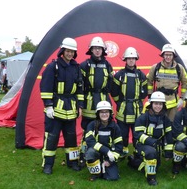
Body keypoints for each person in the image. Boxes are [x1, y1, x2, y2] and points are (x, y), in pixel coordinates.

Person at [40, 37, 83, 174]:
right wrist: (48, 106)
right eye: (68, 51)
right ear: (62, 51)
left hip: (70, 108)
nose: (70, 54)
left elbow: (80, 88)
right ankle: (48, 165)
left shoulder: (76, 68)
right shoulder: (53, 67)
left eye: (72, 51)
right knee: (52, 138)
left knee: (71, 138)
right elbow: (45, 87)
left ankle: (72, 162)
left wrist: (80, 106)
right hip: (55, 109)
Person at [79, 36, 114, 166]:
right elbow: (80, 86)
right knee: (87, 129)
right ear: (91, 50)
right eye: (95, 48)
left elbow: (110, 83)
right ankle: (83, 155)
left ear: (103, 50)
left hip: (103, 100)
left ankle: (102, 152)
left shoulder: (107, 65)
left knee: (103, 128)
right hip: (89, 101)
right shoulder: (84, 65)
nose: (98, 50)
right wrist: (80, 105)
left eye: (100, 48)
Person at [128, 91, 173, 186]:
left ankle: (134, 161)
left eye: (160, 104)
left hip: (156, 146)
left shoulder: (165, 119)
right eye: (156, 104)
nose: (158, 106)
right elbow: (137, 134)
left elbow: (168, 135)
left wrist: (168, 152)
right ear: (151, 104)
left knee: (156, 165)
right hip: (142, 145)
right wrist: (152, 141)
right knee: (151, 154)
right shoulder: (143, 118)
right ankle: (151, 178)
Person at [112, 47, 147, 157]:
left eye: (133, 58)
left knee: (137, 132)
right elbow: (114, 92)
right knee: (123, 132)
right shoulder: (119, 75)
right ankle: (123, 150)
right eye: (129, 58)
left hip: (136, 109)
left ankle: (138, 151)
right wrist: (120, 103)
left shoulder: (141, 75)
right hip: (123, 109)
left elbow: (144, 92)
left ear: (136, 59)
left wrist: (137, 102)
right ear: (125, 60)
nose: (131, 60)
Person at [147, 44, 187, 122]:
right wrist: (150, 96)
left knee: (171, 124)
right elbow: (149, 81)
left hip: (173, 102)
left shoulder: (179, 68)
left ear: (173, 56)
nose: (168, 57)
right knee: (158, 123)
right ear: (163, 55)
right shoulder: (155, 67)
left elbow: (185, 82)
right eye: (166, 54)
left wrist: (182, 98)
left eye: (170, 55)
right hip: (159, 102)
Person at [85, 101, 123, 181]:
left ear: (110, 113)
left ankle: (104, 169)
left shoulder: (115, 127)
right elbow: (90, 141)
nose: (104, 114)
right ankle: (95, 173)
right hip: (96, 153)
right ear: (98, 114)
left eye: (106, 112)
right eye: (102, 112)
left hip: (109, 155)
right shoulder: (92, 125)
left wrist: (110, 161)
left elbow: (119, 146)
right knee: (90, 152)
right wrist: (105, 150)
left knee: (113, 177)